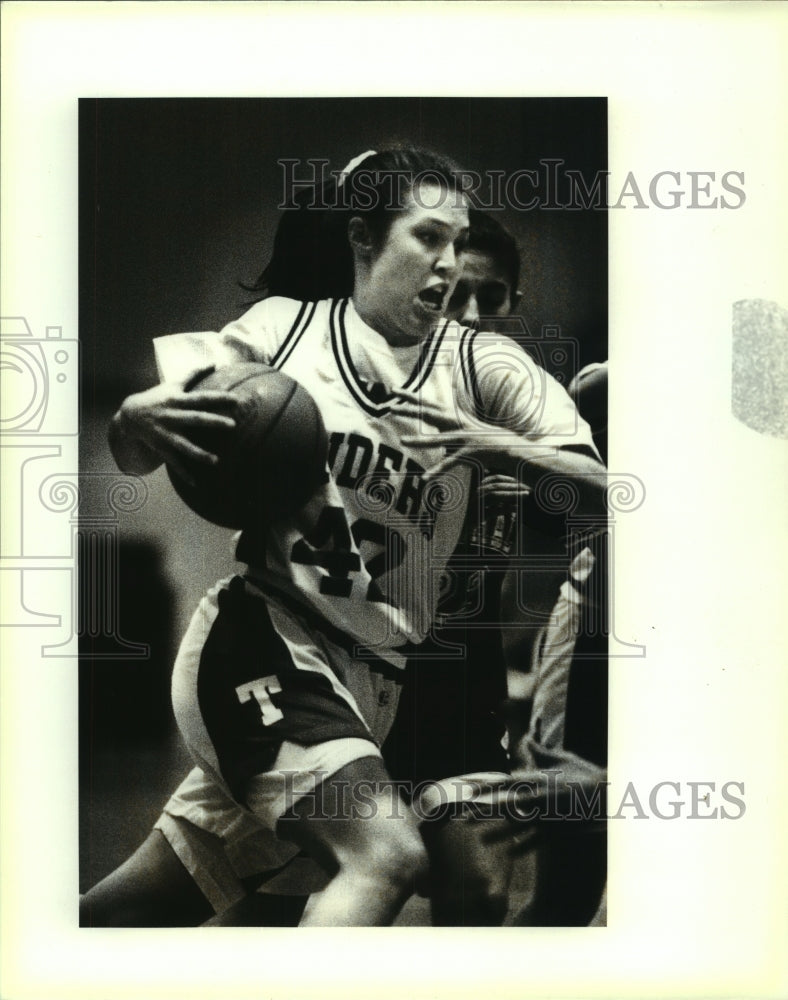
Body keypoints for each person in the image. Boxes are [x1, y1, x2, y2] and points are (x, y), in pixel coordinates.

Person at [103, 146, 606, 926]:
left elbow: (610, 497)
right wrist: (129, 421)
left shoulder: (487, 367)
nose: (446, 263)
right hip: (269, 637)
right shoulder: (282, 331)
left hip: (378, 679)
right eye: (427, 238)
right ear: (363, 236)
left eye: (456, 241)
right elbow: (145, 444)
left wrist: (495, 445)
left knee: (145, 902)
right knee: (385, 857)